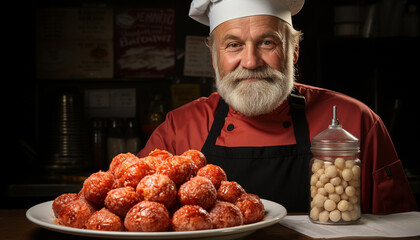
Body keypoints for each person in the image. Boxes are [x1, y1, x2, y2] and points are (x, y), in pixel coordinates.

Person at [137, 0, 418, 214]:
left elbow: (398, 226)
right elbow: (138, 214)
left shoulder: (356, 121)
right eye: (234, 44)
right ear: (213, 56)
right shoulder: (179, 129)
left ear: (294, 50)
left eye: (267, 42)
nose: (250, 61)